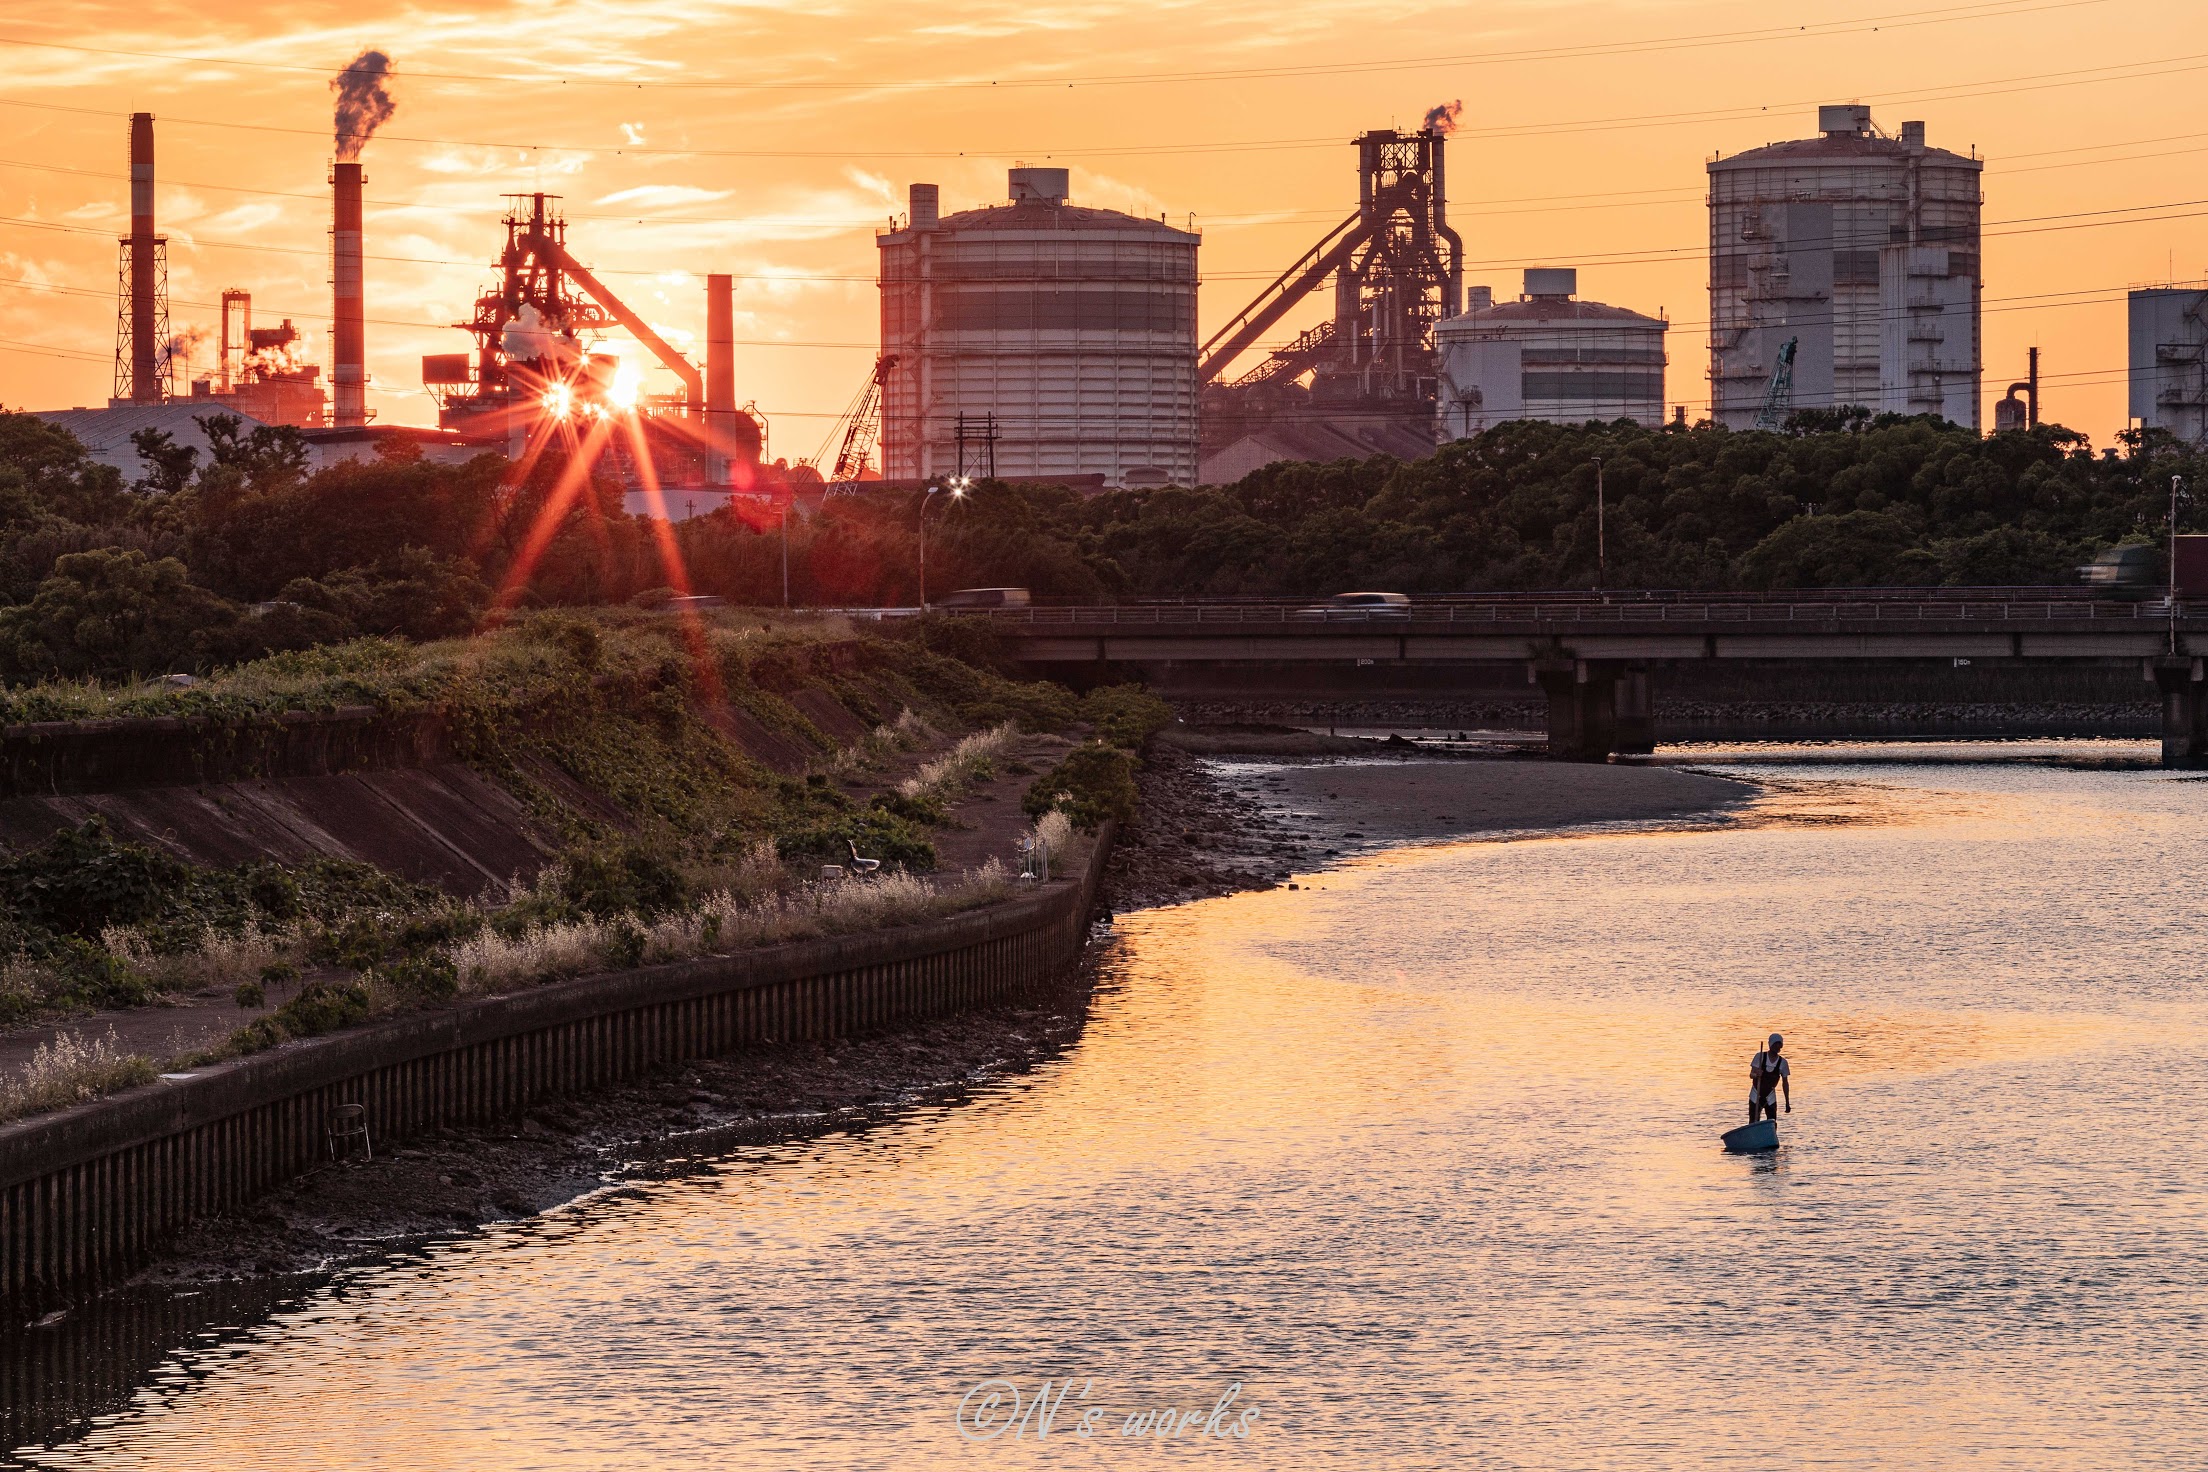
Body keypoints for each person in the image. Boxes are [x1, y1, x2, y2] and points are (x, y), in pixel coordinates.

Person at [1749, 1033, 1790, 1124]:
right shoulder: (1759, 1057)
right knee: (1753, 1122)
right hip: (1756, 1094)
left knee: (1772, 1122)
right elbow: (1751, 1075)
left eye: (1779, 1044)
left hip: (1770, 1096)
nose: (1777, 1046)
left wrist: (1787, 1102)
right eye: (1775, 1044)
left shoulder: (1783, 1063)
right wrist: (1756, 1074)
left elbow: (1785, 1083)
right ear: (1770, 1044)